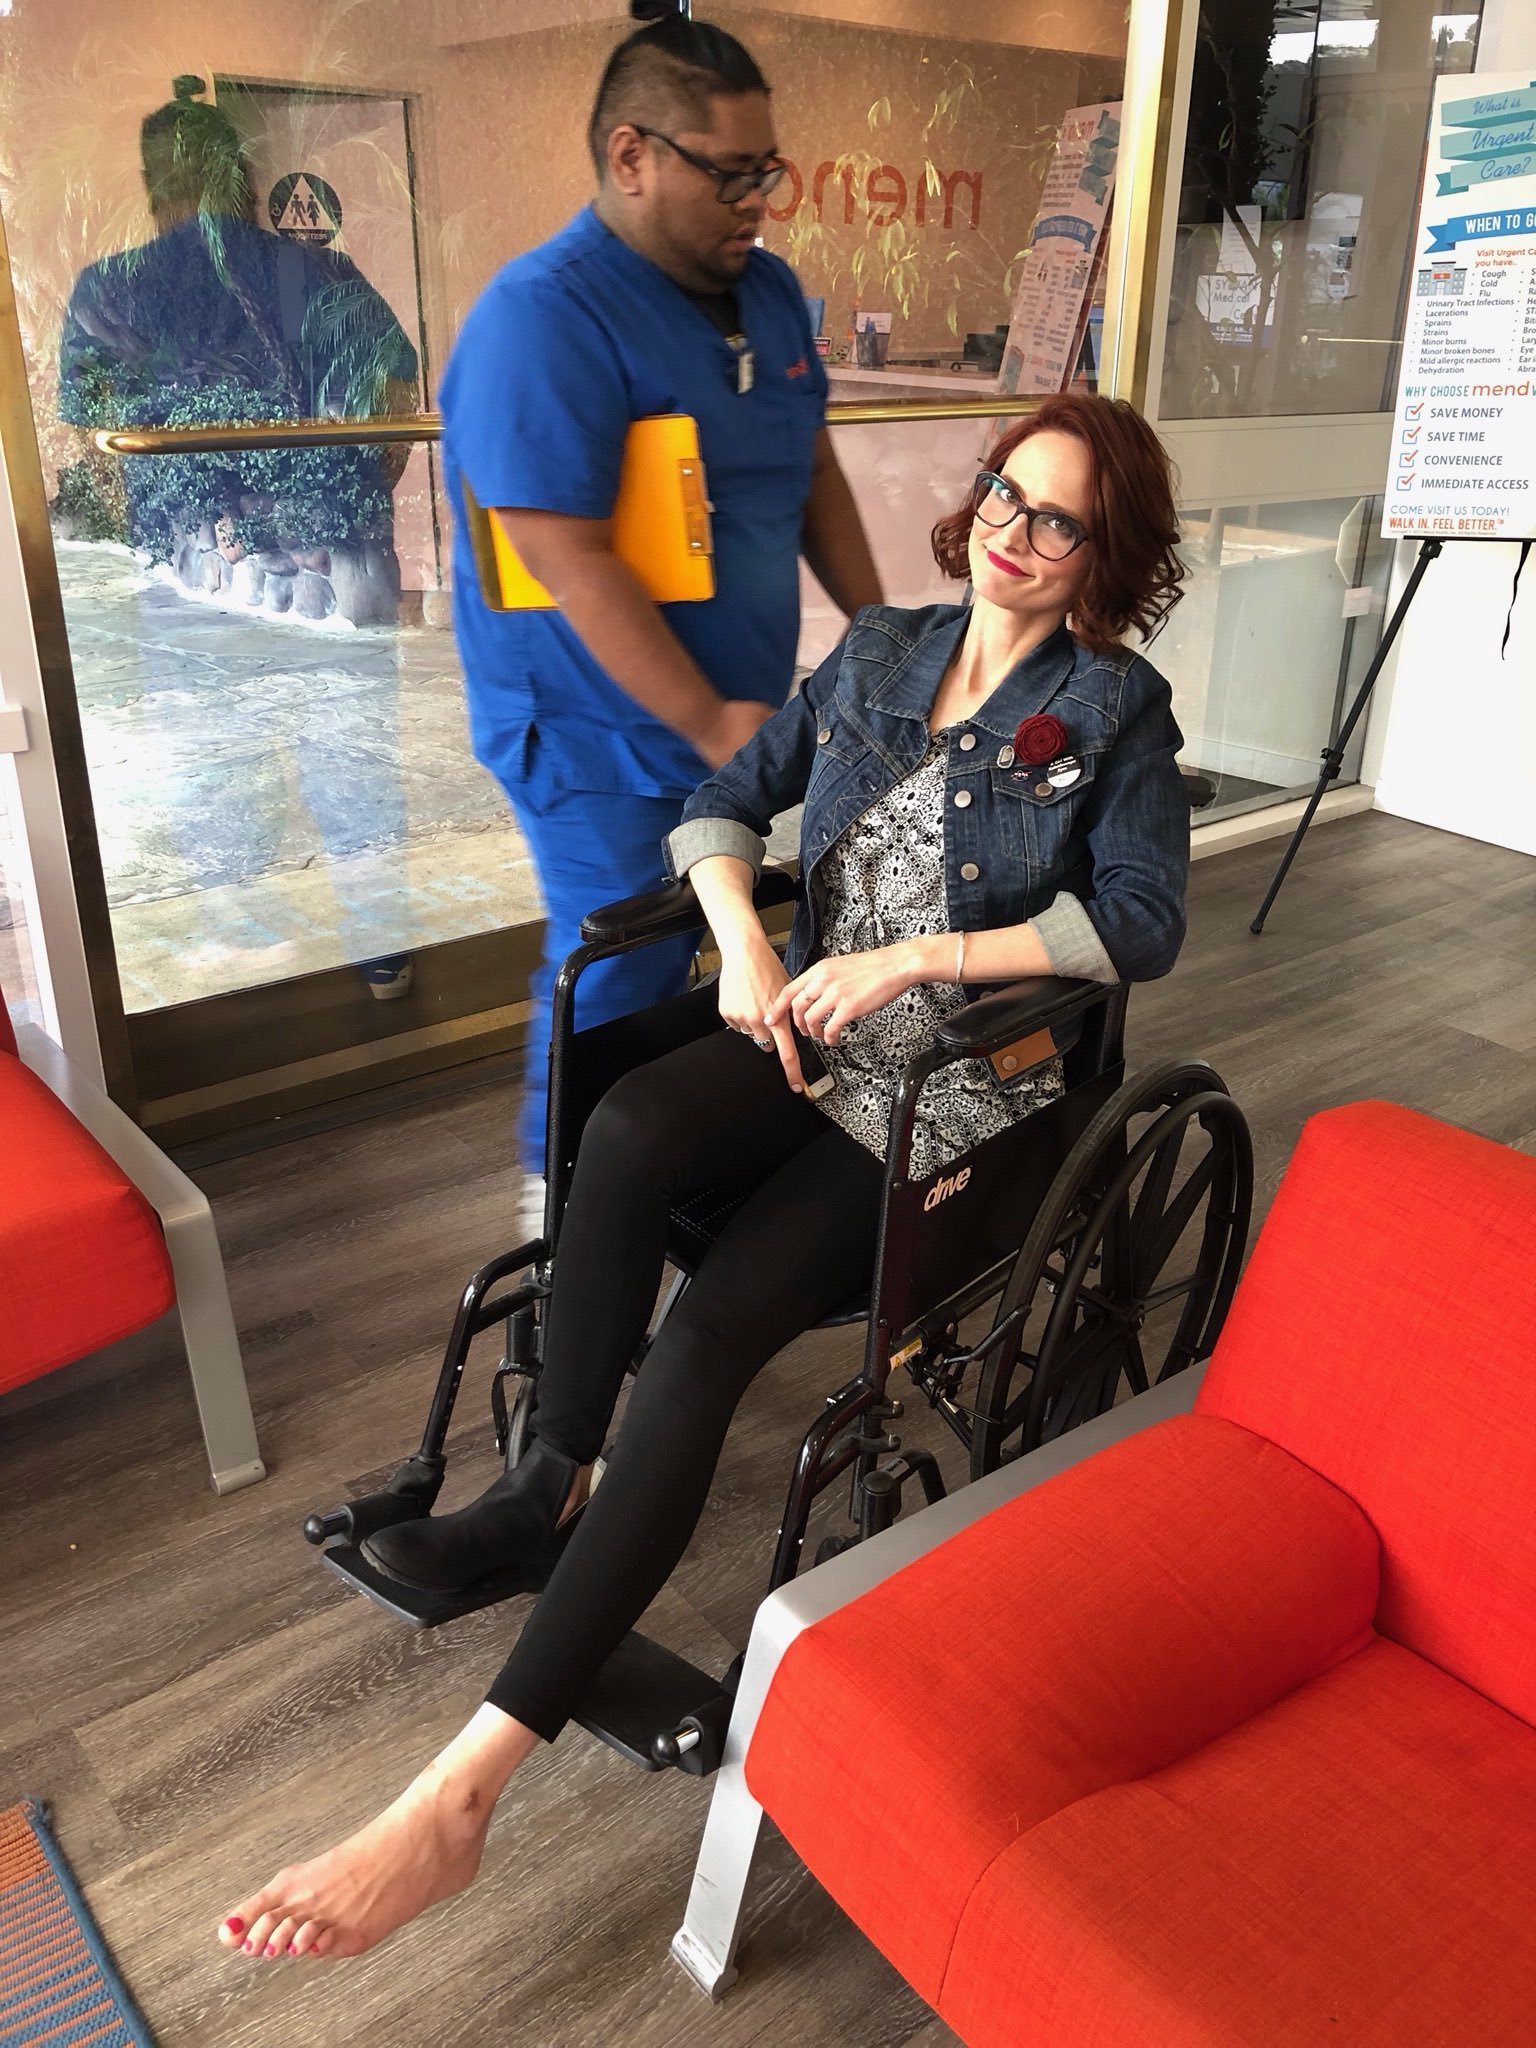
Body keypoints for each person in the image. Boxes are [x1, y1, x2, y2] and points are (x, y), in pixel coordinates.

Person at [215, 392, 1189, 1962]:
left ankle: (462, 1794)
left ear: (1103, 551)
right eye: (1005, 493)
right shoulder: (882, 649)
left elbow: (1139, 923)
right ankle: (547, 1485)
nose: (1013, 532)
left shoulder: (1115, 711)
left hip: (967, 1075)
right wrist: (743, 940)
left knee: (714, 1320)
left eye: (1056, 517)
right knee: (627, 1125)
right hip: (810, 1020)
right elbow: (725, 802)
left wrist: (916, 963)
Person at [437, 6, 882, 1214]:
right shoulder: (543, 318)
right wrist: (712, 723)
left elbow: (811, 472)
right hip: (597, 733)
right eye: (729, 174)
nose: (756, 203)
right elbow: (566, 552)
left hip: (723, 728)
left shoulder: (768, 294)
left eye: (766, 171)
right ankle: (561, 1217)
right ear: (631, 155)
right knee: (618, 965)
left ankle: (670, 1165)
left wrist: (883, 630)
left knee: (711, 938)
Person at [58, 76, 422, 999]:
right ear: (250, 181)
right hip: (341, 570)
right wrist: (336, 516)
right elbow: (394, 410)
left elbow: (97, 450)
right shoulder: (328, 279)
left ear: (156, 187)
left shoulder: (113, 291)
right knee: (353, 762)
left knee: (218, 764)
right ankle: (382, 951)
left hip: (197, 579)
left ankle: (250, 956)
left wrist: (174, 532)